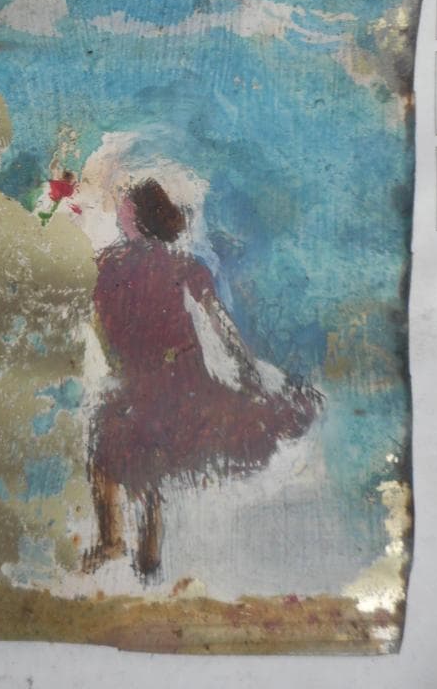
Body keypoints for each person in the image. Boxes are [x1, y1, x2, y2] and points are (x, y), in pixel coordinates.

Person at [84, 177, 323, 578]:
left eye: (127, 206)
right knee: (125, 453)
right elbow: (219, 324)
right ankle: (129, 549)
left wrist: (247, 371)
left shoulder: (154, 265)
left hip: (169, 376)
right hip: (155, 376)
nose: (120, 212)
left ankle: (131, 549)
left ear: (142, 216)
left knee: (128, 451)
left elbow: (219, 323)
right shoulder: (135, 264)